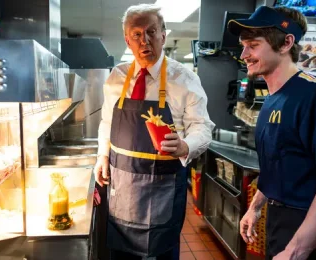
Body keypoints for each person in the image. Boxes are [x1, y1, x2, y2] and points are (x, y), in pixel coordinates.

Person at [93, 3, 214, 260]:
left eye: (151, 31)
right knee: (120, 254)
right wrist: (102, 156)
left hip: (163, 188)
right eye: (136, 34)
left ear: (163, 35)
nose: (144, 40)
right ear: (127, 40)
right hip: (122, 187)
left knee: (161, 253)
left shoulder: (184, 79)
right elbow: (106, 122)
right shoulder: (117, 77)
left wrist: (186, 146)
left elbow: (203, 128)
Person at [227, 5, 316, 260]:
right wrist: (256, 206)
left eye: (253, 45)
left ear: (285, 43)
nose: (244, 54)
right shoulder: (271, 100)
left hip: (313, 230)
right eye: (243, 45)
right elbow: (279, 165)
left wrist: (296, 251)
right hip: (278, 221)